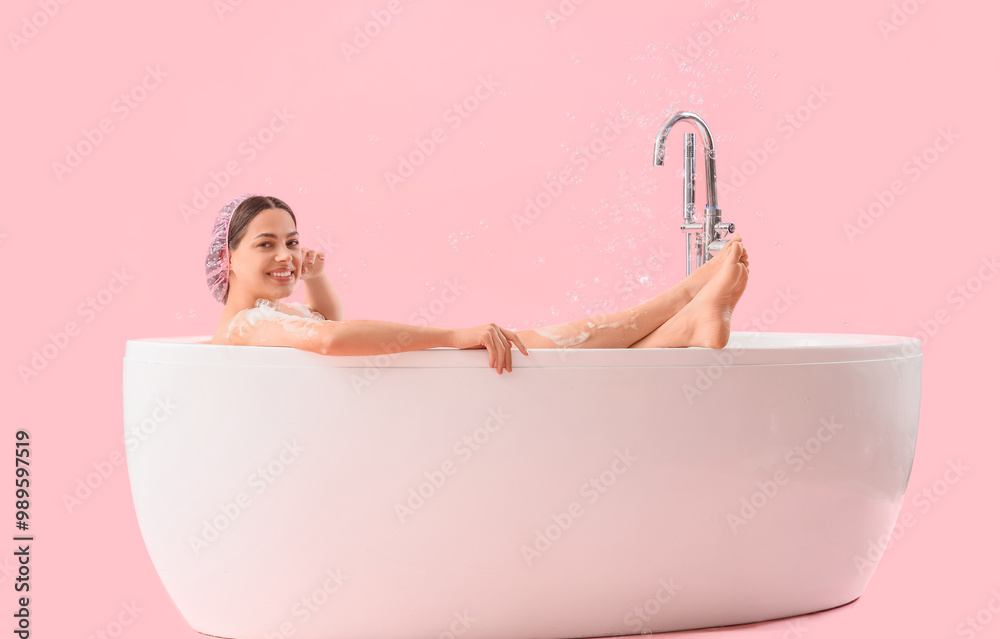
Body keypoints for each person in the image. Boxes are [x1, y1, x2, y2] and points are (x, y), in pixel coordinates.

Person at [206, 194, 750, 374]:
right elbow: (329, 342)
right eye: (266, 243)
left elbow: (326, 325)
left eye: (293, 241)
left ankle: (685, 324)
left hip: (423, 382)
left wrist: (317, 279)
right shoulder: (244, 325)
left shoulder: (263, 322)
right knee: (555, 341)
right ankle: (682, 298)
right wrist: (452, 335)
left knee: (570, 353)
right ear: (225, 259)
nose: (286, 255)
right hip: (436, 379)